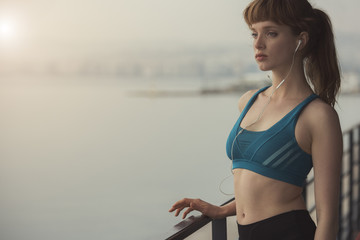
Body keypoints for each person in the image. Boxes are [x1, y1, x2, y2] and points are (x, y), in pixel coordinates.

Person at [168, 0, 343, 239]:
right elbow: (260, 187)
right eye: (254, 33)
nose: (258, 44)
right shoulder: (248, 101)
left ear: (300, 40)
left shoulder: (318, 115)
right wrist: (221, 210)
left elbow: (328, 217)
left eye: (271, 33)